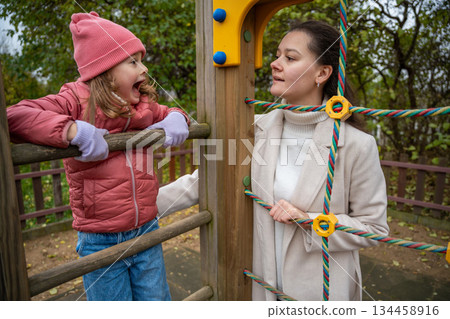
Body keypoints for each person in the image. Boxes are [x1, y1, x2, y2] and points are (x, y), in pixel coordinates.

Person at [157, 20, 389, 301]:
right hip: (262, 288)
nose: (275, 64)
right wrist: (133, 208)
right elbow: (204, 180)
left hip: (319, 293)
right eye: (277, 55)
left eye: (290, 58)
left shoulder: (356, 144)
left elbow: (374, 229)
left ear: (322, 73)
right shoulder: (253, 128)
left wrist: (310, 221)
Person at [7, 11, 190, 301]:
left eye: (141, 60)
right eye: (133, 61)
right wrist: (71, 130)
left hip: (147, 230)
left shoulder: (140, 104)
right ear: (104, 70)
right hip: (100, 240)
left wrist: (178, 118)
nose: (143, 69)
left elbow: (170, 112)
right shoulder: (75, 102)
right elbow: (14, 116)